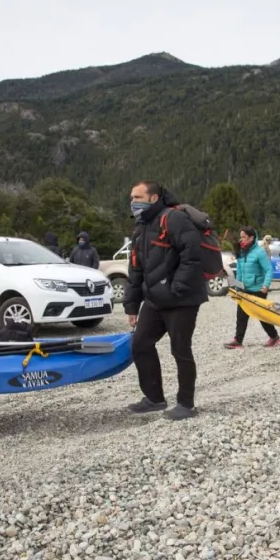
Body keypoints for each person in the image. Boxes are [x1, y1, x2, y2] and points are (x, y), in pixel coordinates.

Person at [123, 180, 208, 420]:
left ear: (153, 198)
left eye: (137, 197)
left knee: (180, 350)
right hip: (154, 300)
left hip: (182, 300)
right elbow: (136, 270)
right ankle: (154, 398)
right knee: (140, 345)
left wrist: (177, 287)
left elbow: (192, 256)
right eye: (131, 197)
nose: (132, 202)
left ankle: (186, 404)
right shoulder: (141, 227)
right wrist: (132, 305)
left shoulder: (173, 219)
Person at [224, 227, 280, 349]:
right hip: (244, 289)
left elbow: (269, 269)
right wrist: (237, 287)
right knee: (241, 316)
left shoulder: (259, 252)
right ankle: (238, 341)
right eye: (241, 236)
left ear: (251, 238)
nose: (241, 239)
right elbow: (239, 271)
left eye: (244, 237)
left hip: (259, 290)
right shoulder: (241, 252)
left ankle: (274, 337)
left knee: (262, 316)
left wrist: (266, 285)